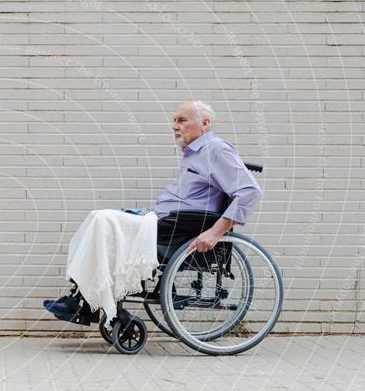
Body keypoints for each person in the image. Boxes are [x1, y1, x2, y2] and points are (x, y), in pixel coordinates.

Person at [44, 100, 263, 323]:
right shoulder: (195, 153)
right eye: (174, 120)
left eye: (182, 120)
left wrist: (215, 233)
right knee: (98, 220)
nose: (175, 125)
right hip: (164, 221)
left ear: (204, 123)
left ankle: (88, 302)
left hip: (179, 226)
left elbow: (249, 191)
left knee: (103, 219)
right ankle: (84, 300)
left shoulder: (216, 150)